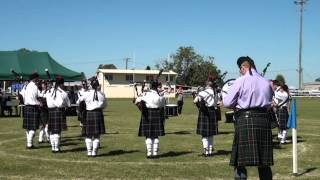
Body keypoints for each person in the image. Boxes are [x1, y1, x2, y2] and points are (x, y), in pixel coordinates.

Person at [223, 56, 273, 180]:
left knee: (240, 162)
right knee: (264, 163)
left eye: (240, 69)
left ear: (244, 67)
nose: (240, 72)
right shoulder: (267, 81)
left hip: (245, 120)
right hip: (263, 120)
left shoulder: (240, 80)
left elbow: (228, 102)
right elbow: (270, 101)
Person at [135, 80, 166, 158]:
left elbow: (137, 101)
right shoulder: (160, 96)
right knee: (156, 136)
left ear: (151, 86)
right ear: (157, 87)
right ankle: (155, 153)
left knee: (148, 136)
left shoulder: (146, 94)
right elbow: (162, 104)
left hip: (147, 114)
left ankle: (149, 153)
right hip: (157, 114)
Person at [77, 78, 107, 157]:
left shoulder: (86, 93)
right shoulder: (102, 94)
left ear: (91, 85)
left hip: (89, 114)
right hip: (98, 114)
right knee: (97, 135)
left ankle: (89, 152)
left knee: (88, 135)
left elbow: (79, 100)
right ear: (97, 86)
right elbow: (105, 106)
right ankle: (94, 152)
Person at [193, 78, 218, 157]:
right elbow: (217, 102)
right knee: (211, 134)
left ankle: (206, 152)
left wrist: (195, 95)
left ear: (207, 85)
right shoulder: (215, 92)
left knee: (204, 134)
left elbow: (195, 101)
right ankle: (210, 151)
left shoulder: (203, 92)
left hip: (205, 112)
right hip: (213, 112)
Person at [45, 76, 70, 153]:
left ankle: (53, 148)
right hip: (59, 112)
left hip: (50, 111)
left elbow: (46, 99)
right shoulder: (63, 93)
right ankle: (57, 148)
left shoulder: (48, 92)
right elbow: (68, 104)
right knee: (58, 131)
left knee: (52, 131)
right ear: (61, 84)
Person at [19, 72, 42, 149]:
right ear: (35, 78)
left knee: (28, 128)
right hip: (33, 107)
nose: (39, 79)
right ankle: (29, 145)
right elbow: (40, 95)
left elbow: (20, 94)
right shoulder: (35, 86)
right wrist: (39, 102)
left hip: (26, 107)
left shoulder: (25, 86)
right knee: (33, 127)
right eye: (38, 78)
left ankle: (30, 144)